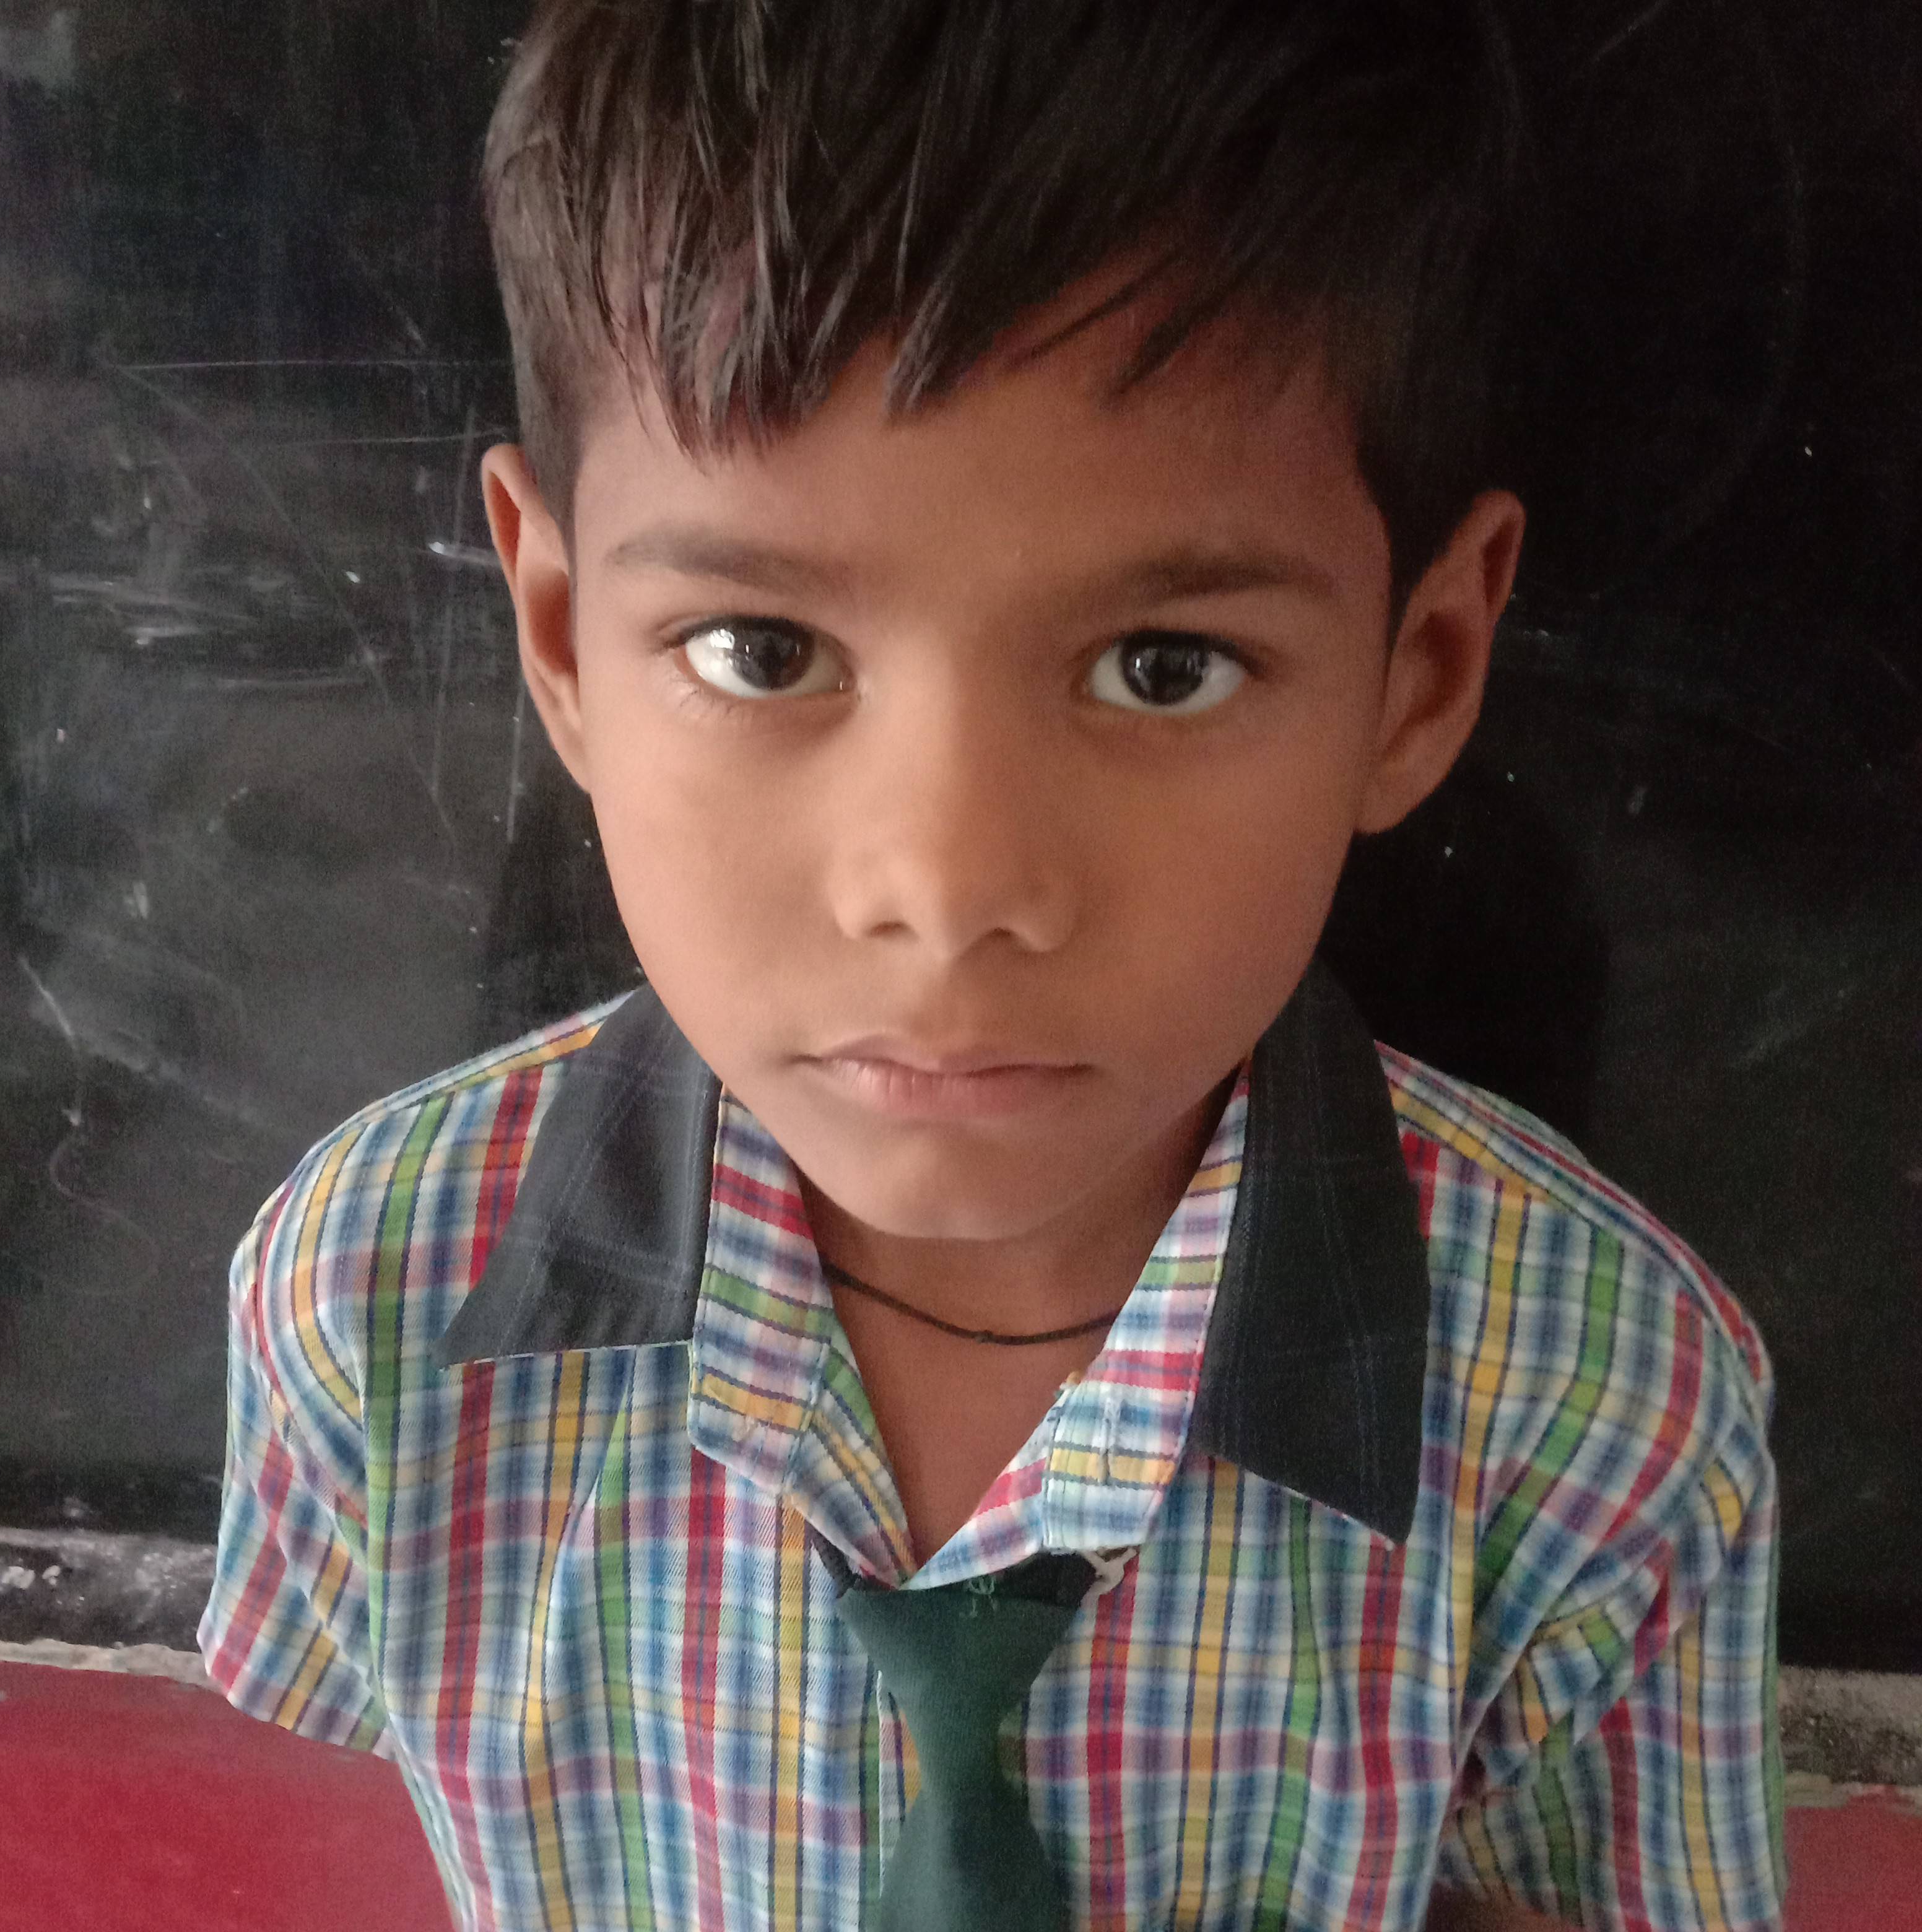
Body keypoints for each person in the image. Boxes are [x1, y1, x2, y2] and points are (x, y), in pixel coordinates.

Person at [196, 2, 1784, 1928]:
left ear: (1420, 670)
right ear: (557, 634)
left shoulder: (1601, 1415)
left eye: (1164, 668)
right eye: (763, 651)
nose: (947, 892)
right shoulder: (370, 1304)